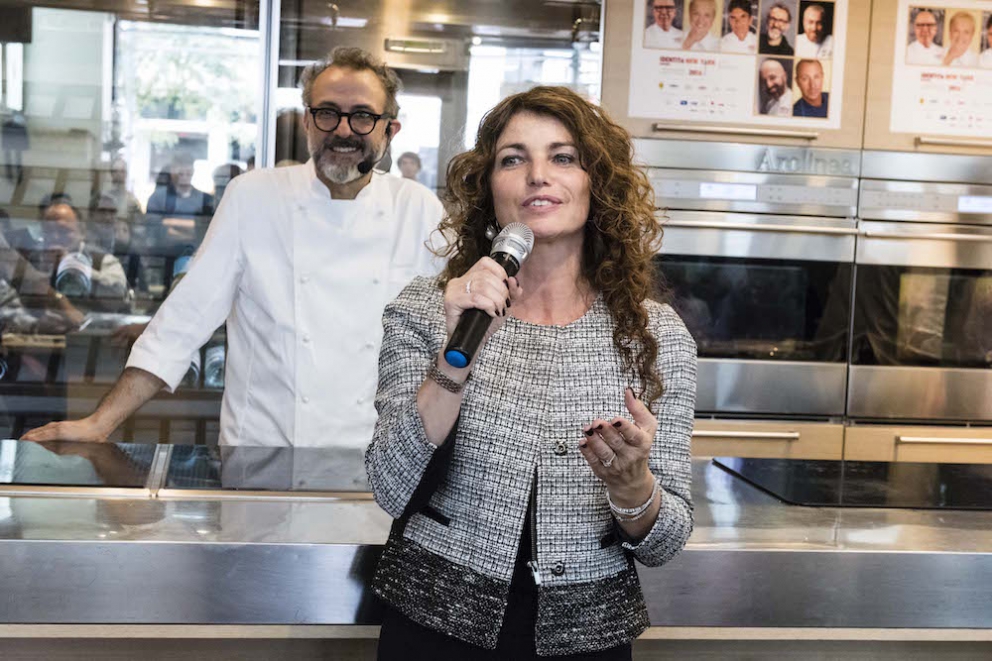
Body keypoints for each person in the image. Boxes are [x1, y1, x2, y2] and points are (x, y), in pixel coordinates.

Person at [367, 86, 696, 659]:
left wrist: (632, 486)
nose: (537, 175)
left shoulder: (655, 335)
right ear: (489, 188)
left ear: (598, 185)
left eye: (563, 157)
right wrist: (453, 356)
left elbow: (665, 544)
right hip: (435, 626)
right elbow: (390, 487)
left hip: (585, 638)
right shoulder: (427, 308)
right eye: (513, 158)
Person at [22, 47, 444, 448]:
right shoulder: (253, 197)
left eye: (363, 116)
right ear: (307, 123)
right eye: (328, 113)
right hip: (263, 453)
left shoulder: (418, 209)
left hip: (380, 463)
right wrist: (101, 422)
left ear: (391, 129)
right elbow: (185, 319)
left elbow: (450, 338)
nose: (343, 130)